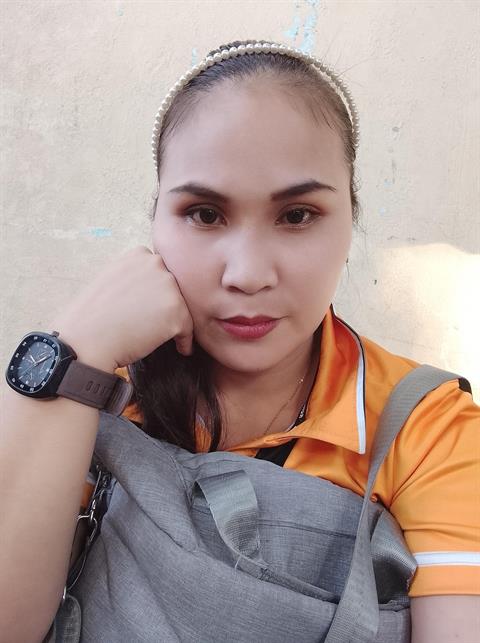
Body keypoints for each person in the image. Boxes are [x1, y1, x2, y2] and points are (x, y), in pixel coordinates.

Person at [1, 39, 478, 643]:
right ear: (156, 220)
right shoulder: (98, 389)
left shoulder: (425, 429)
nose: (248, 274)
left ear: (350, 221)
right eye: (205, 214)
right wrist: (78, 348)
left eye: (297, 215)